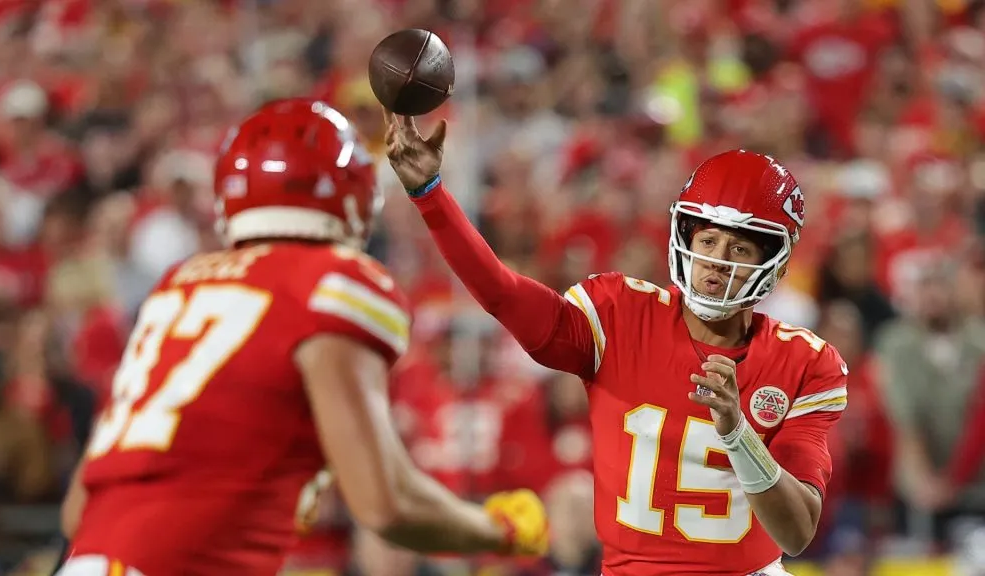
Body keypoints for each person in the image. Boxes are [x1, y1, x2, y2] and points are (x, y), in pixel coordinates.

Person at [55, 99, 549, 576]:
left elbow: (79, 510)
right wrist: (497, 530)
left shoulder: (177, 286)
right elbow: (387, 503)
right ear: (352, 195)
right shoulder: (331, 282)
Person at [383, 111, 848, 576]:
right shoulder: (621, 316)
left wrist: (738, 434)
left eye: (739, 250)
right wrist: (430, 196)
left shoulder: (805, 362)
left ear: (776, 264)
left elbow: (796, 533)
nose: (716, 263)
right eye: (708, 240)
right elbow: (503, 293)